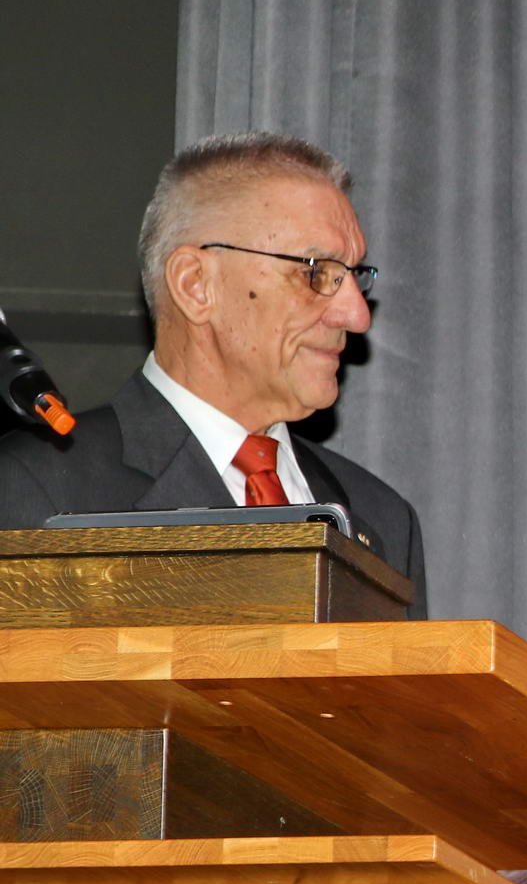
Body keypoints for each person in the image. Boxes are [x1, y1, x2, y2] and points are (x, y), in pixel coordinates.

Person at [0, 132, 426, 607]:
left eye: (353, 276)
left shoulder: (383, 519)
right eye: (316, 272)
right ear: (195, 285)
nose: (357, 315)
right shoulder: (38, 490)